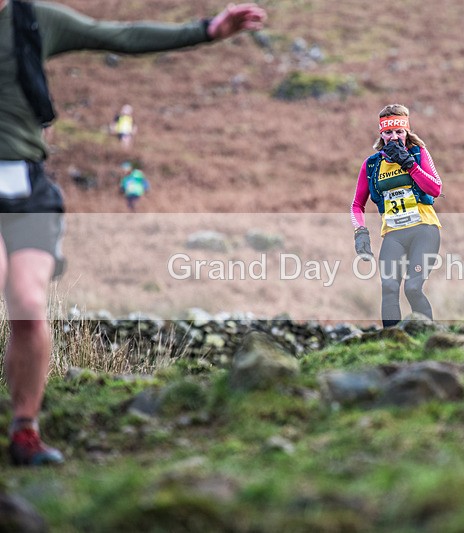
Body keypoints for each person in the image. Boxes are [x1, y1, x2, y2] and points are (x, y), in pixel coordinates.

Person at [0, 0, 266, 466]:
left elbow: (120, 36)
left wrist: (207, 30)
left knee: (27, 301)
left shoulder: (34, 19)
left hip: (27, 183)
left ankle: (25, 431)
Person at [350, 104, 443, 328]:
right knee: (389, 288)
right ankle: (392, 342)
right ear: (381, 134)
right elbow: (356, 205)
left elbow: (435, 189)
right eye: (388, 132)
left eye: (399, 132)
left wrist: (409, 165)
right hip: (394, 235)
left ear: (406, 132)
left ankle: (428, 337)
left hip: (424, 230)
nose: (394, 137)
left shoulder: (418, 153)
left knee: (412, 287)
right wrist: (360, 232)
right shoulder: (372, 165)